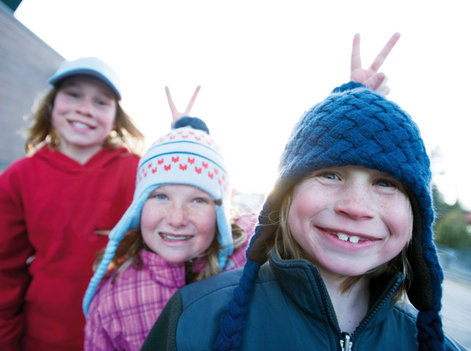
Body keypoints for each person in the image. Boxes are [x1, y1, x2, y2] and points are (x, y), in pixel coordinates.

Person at [142, 82, 467, 350]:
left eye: (385, 183)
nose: (355, 206)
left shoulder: (433, 345)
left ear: (417, 218)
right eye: (330, 174)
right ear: (285, 196)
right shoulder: (195, 319)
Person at [82, 89, 258, 350]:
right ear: (138, 206)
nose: (177, 219)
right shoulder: (113, 303)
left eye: (198, 200)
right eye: (161, 196)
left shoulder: (253, 259)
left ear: (221, 212)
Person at [0, 57, 145, 351]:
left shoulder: (140, 173)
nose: (85, 109)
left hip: (124, 337)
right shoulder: (18, 176)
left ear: (116, 116)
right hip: (43, 337)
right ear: (52, 103)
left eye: (101, 102)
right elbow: (4, 271)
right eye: (73, 94)